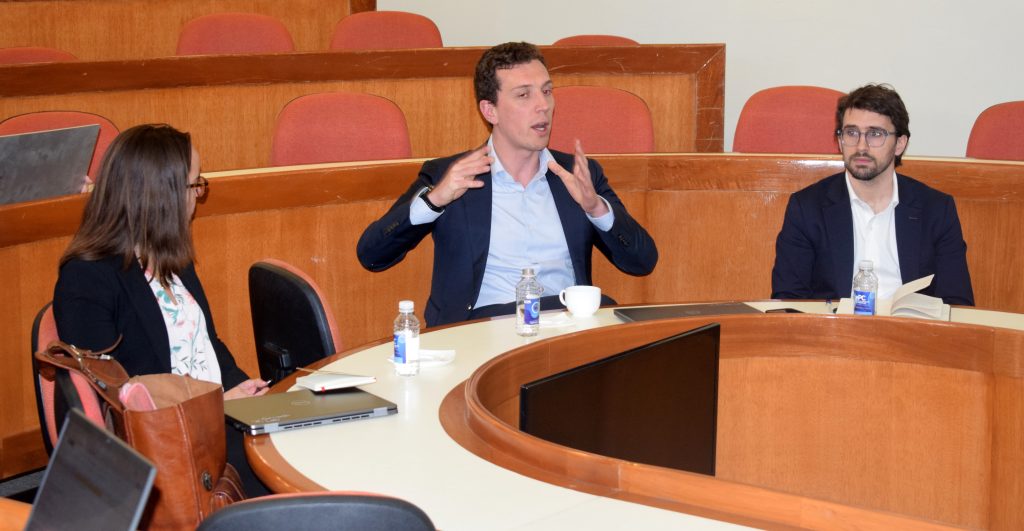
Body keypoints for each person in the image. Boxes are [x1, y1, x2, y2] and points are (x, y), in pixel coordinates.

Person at [356, 42, 658, 326]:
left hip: (566, 327)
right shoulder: (449, 176)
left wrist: (595, 209)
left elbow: (642, 262)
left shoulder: (577, 174)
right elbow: (372, 255)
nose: (543, 106)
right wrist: (435, 200)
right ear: (491, 111)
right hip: (482, 330)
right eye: (524, 95)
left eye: (547, 91)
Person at [52, 123, 271, 495]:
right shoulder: (87, 279)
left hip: (213, 418)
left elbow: (208, 343)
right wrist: (216, 405)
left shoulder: (170, 257)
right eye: (195, 184)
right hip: (169, 446)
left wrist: (241, 388)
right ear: (161, 196)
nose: (199, 193)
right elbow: (117, 397)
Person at [771, 84, 974, 305]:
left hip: (909, 325)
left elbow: (957, 303)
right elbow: (788, 300)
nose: (861, 146)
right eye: (851, 133)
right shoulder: (807, 208)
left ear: (900, 144)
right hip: (836, 326)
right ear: (840, 141)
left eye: (875, 134)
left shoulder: (936, 210)